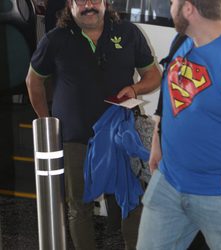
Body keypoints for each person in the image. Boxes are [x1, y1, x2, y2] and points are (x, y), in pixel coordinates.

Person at [25, 0, 161, 249]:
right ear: (70, 4)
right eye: (81, 0)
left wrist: (135, 88)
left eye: (95, 0)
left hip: (121, 135)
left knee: (132, 202)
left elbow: (153, 75)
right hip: (75, 138)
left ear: (105, 3)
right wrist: (47, 121)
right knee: (80, 207)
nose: (89, 5)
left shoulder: (128, 33)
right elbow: (33, 81)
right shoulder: (55, 39)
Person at [136, 0, 221, 249]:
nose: (170, 6)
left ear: (189, 9)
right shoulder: (184, 40)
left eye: (174, 2)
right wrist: (158, 139)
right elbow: (170, 92)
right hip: (169, 182)